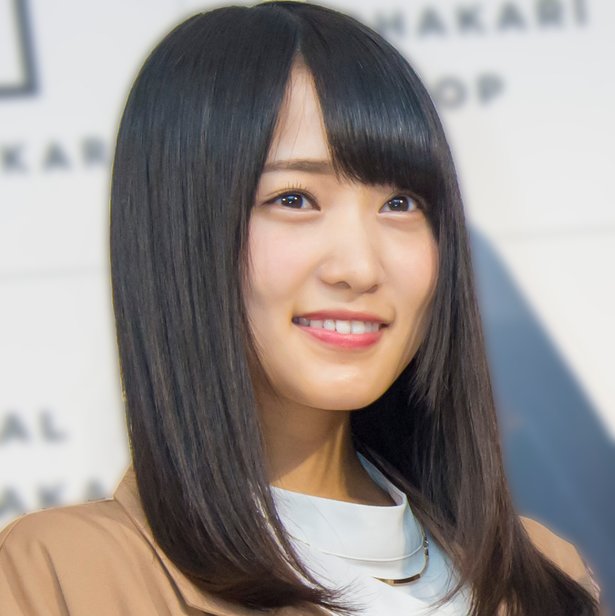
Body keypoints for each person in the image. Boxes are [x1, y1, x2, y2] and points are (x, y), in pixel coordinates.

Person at [0, 2, 601, 614]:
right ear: (181, 232)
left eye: (400, 204)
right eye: (294, 198)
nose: (360, 267)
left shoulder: (544, 575)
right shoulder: (64, 575)